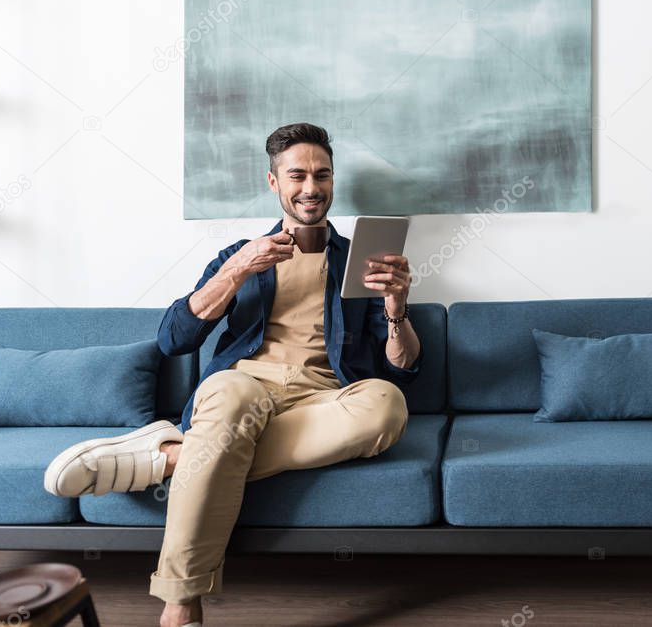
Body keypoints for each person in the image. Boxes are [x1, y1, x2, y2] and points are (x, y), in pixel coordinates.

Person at [43, 122, 423, 627]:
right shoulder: (239, 255)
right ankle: (181, 602)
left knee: (387, 404)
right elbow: (174, 340)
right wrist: (237, 270)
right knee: (232, 399)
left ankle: (176, 457)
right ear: (274, 182)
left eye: (322, 175)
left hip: (326, 399)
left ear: (333, 181)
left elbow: (405, 366)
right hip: (242, 389)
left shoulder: (357, 262)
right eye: (297, 175)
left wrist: (396, 307)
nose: (311, 187)